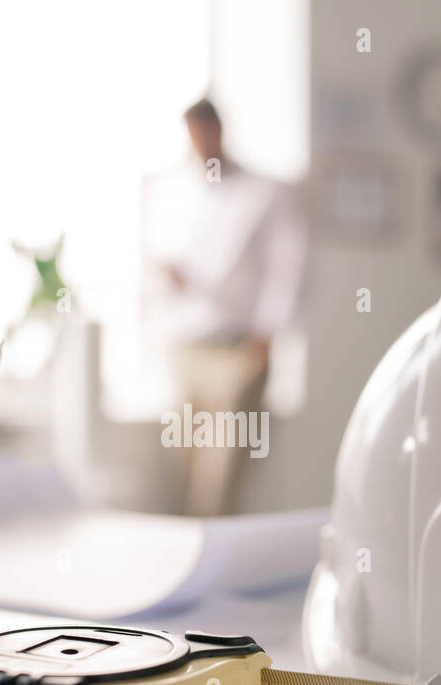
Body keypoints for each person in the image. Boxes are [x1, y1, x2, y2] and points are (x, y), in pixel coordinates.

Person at [149, 97, 306, 516]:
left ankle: (216, 572)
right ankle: (197, 566)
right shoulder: (175, 193)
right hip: (188, 348)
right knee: (188, 470)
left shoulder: (265, 191)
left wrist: (267, 335)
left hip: (240, 351)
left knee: (221, 480)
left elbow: (286, 269)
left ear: (218, 130)